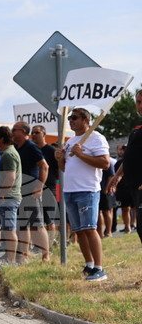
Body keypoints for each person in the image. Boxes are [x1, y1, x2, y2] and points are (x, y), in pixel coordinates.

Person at [56, 106, 111, 280]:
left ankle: (100, 268)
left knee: (89, 228)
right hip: (70, 190)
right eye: (70, 118)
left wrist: (80, 155)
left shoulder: (96, 138)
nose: (71, 121)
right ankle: (89, 265)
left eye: (75, 117)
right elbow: (65, 168)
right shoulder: (70, 141)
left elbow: (105, 163)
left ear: (86, 120)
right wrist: (60, 159)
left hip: (87, 190)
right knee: (79, 231)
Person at [106, 88, 142, 246]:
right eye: (138, 102)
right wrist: (118, 175)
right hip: (134, 186)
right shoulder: (137, 129)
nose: (140, 106)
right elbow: (129, 156)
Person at [12, 121, 50, 262]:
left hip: (31, 190)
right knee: (23, 225)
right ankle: (23, 256)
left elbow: (44, 166)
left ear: (23, 131)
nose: (12, 132)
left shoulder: (31, 147)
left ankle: (46, 255)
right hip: (21, 191)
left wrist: (39, 186)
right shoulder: (17, 147)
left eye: (14, 129)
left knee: (37, 225)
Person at [0, 126, 22, 266]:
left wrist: (1, 194)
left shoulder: (9, 154)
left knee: (9, 230)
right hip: (4, 198)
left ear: (2, 138)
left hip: (8, 198)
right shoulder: (6, 153)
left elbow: (10, 177)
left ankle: (11, 260)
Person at [30, 124, 59, 238]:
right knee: (35, 219)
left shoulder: (51, 150)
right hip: (33, 189)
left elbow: (59, 171)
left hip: (49, 188)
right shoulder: (31, 149)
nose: (34, 135)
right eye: (32, 133)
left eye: (37, 132)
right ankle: (38, 243)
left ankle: (51, 242)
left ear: (44, 134)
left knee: (49, 219)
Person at [112, 144, 137, 233]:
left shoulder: (135, 161)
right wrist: (114, 186)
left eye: (125, 149)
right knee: (125, 208)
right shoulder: (118, 163)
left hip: (134, 187)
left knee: (135, 208)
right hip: (122, 189)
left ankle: (134, 224)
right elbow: (116, 176)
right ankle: (127, 227)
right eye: (122, 149)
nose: (123, 151)